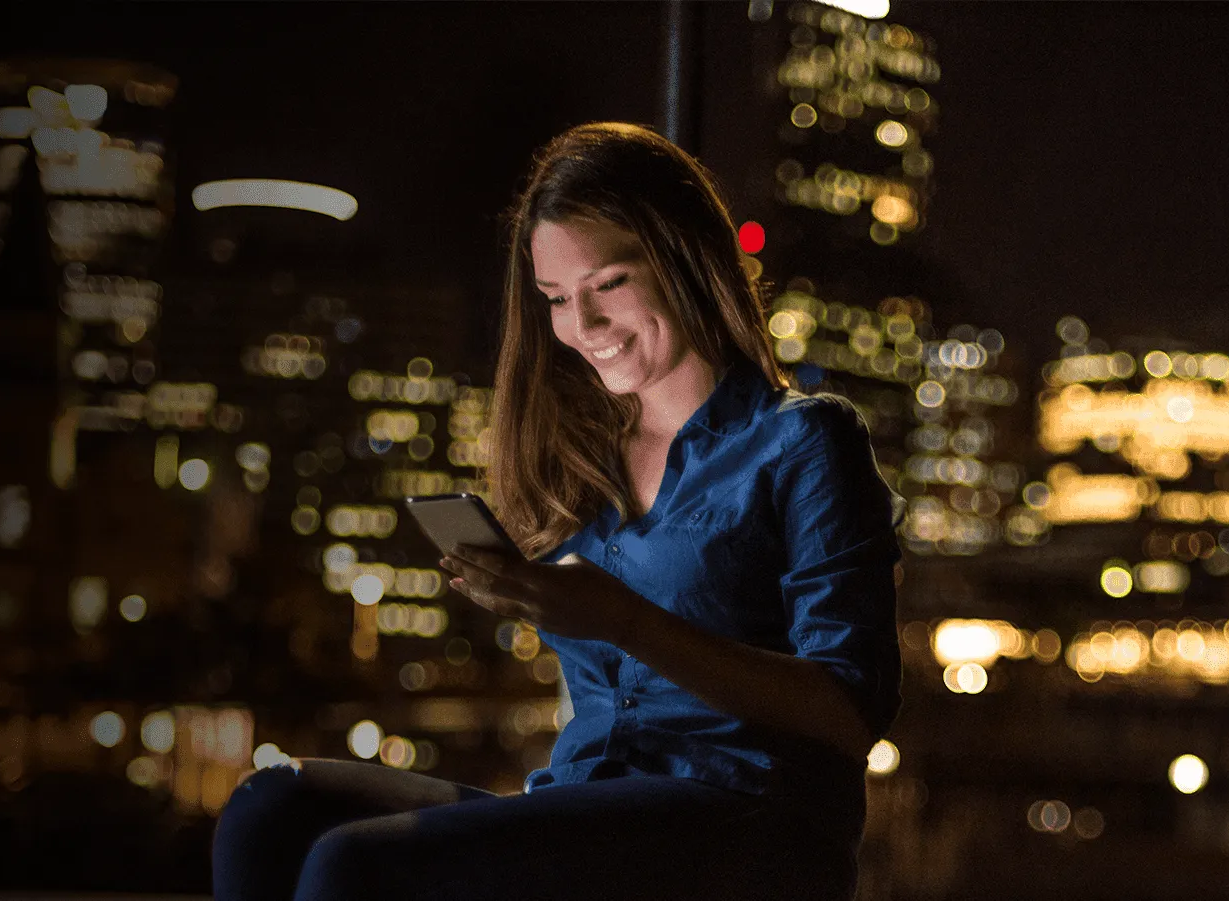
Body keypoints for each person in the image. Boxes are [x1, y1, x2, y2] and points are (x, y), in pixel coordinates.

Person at [211, 121, 905, 901]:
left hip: (745, 816)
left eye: (607, 284)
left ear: (686, 258)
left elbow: (849, 711)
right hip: (586, 798)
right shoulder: (579, 459)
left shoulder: (802, 439)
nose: (583, 326)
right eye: (556, 298)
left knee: (355, 865)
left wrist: (624, 617)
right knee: (266, 806)